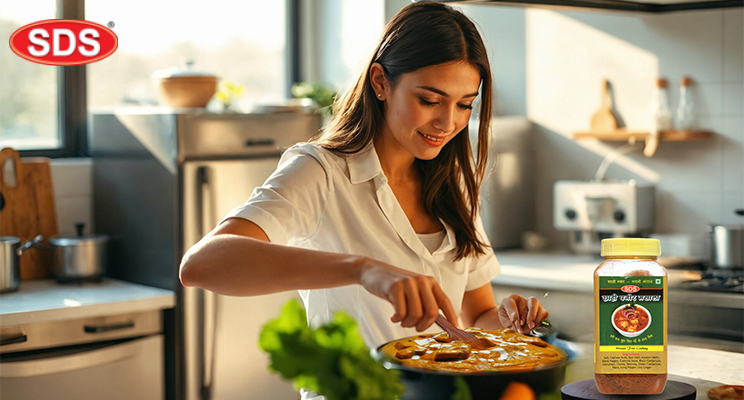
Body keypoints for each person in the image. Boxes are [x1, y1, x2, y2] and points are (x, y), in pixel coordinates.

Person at [181, 0, 547, 377]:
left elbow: (474, 318)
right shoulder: (321, 171)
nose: (447, 122)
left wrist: (506, 321)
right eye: (429, 100)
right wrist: (365, 270)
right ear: (380, 83)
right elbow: (203, 264)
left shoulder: (452, 183)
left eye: (465, 105)